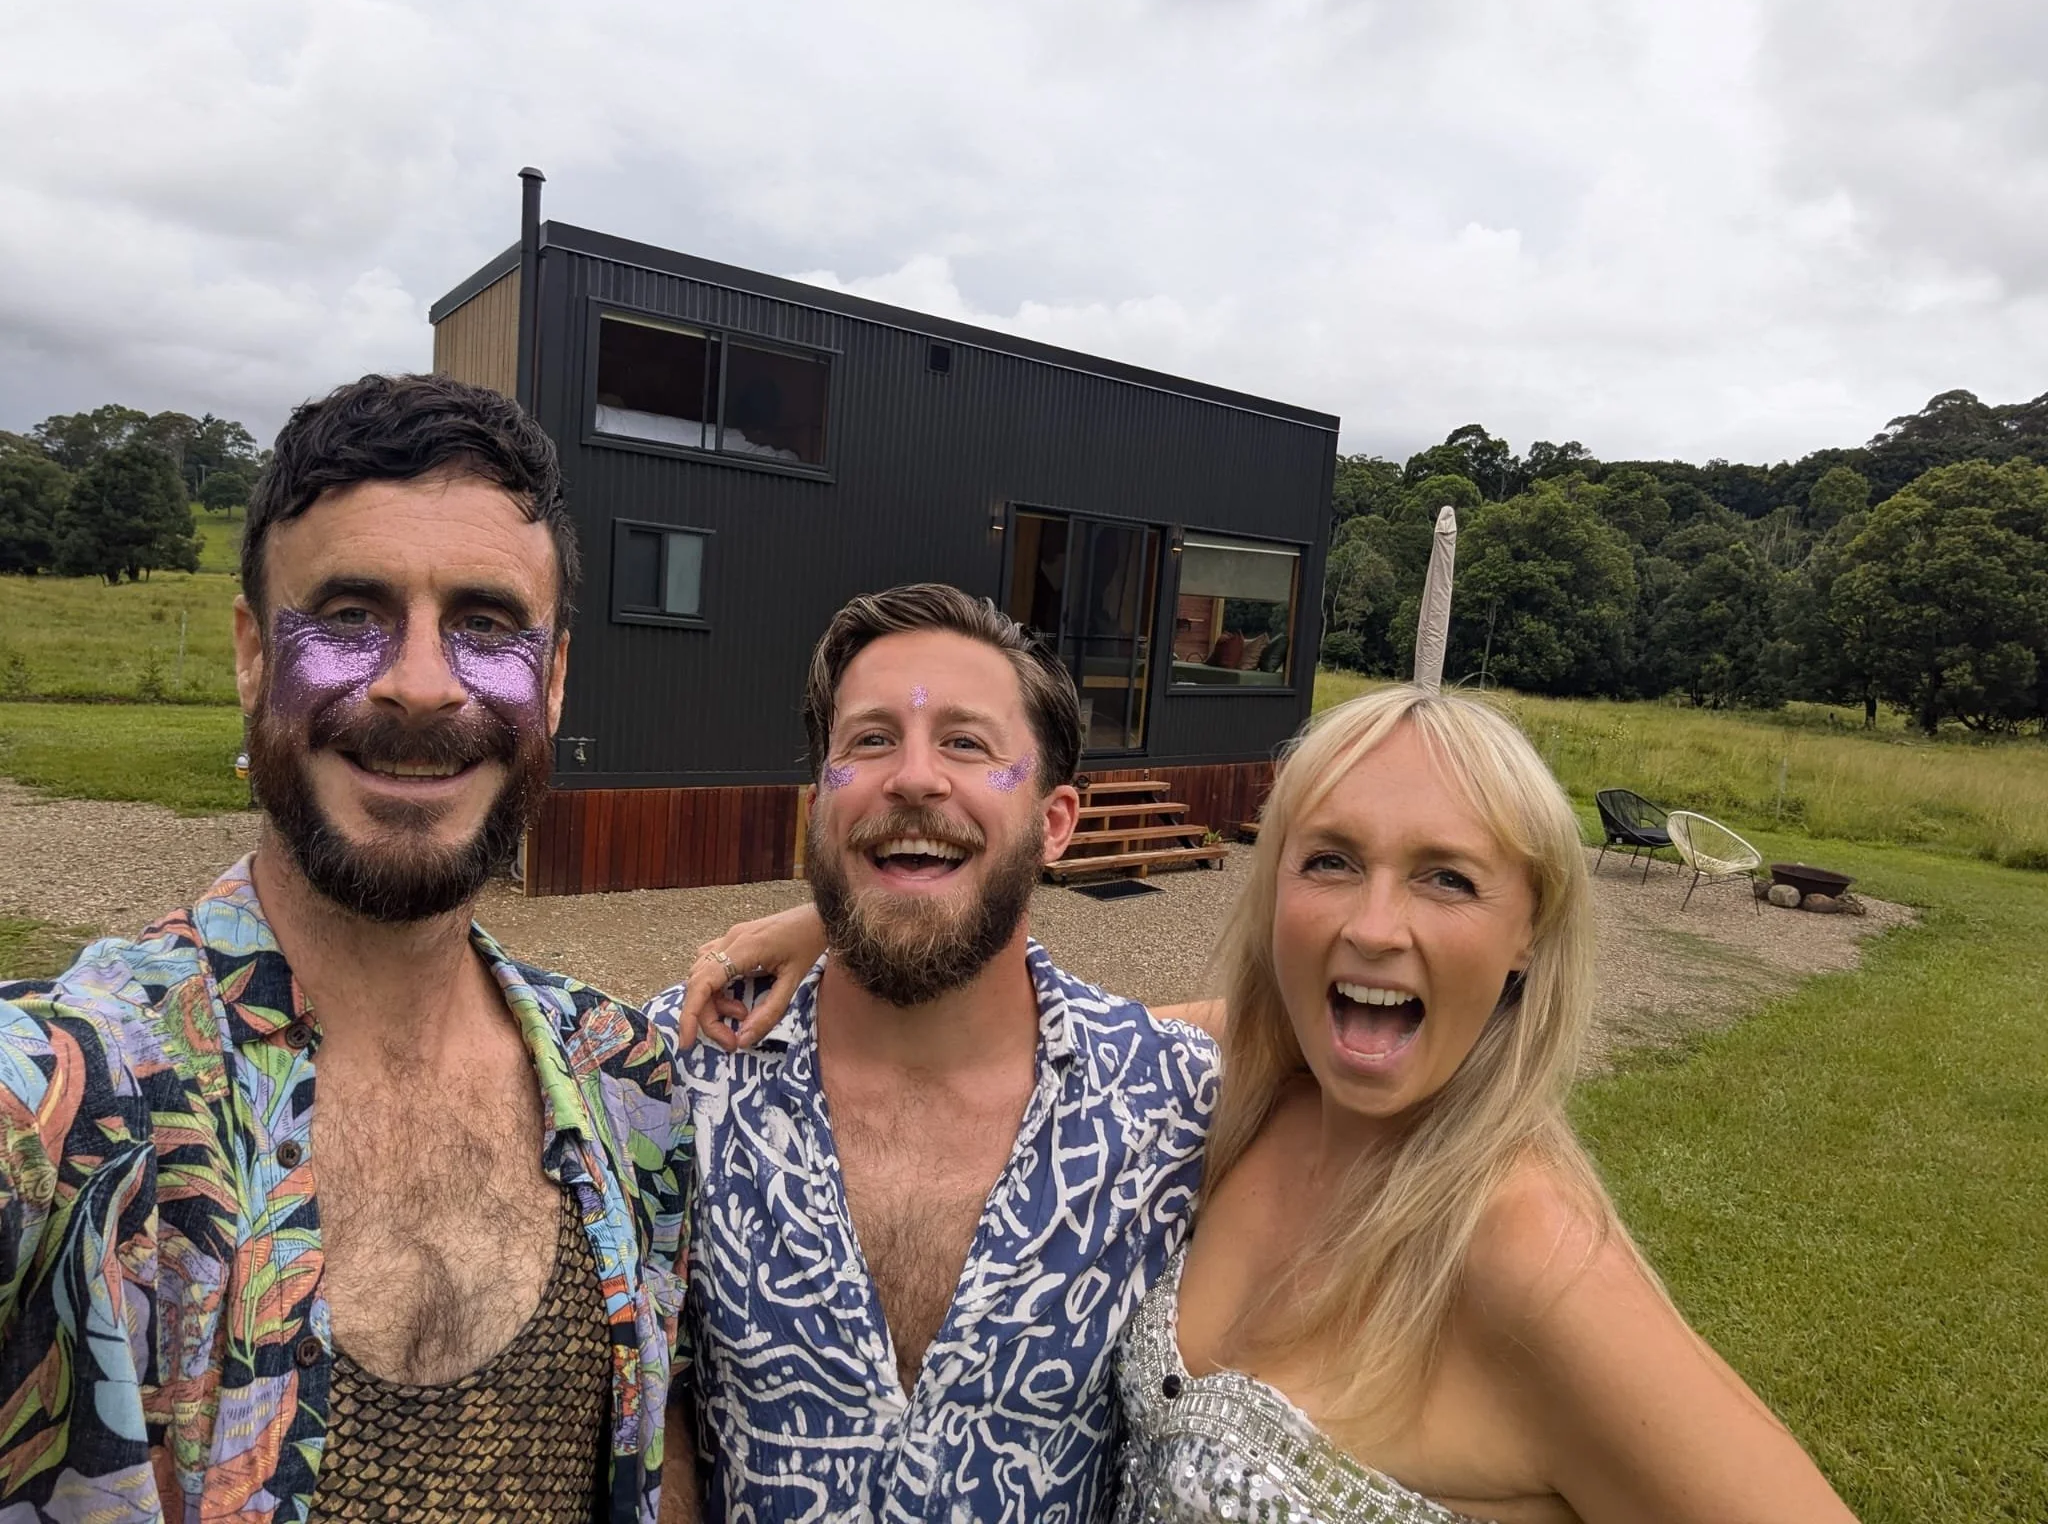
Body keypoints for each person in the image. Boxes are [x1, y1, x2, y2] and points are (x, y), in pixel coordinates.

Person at [0, 374, 697, 1523]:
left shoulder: (631, 1087)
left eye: (485, 626)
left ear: (555, 680)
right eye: (348, 616)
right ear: (249, 655)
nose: (420, 685)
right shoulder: (83, 1092)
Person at [1110, 685, 1858, 1522]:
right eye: (1331, 861)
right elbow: (1054, 1036)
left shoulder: (1531, 1258)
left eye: (1448, 879)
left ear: (1528, 932)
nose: (1375, 928)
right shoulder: (1255, 1088)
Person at [647, 584, 1219, 1521]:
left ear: (1055, 823)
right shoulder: (682, 1067)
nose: (914, 777)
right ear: (818, 808)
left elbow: (1364, 1023)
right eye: (872, 740)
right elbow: (640, 1380)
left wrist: (861, 904)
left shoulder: (1168, 1100)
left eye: (966, 743)